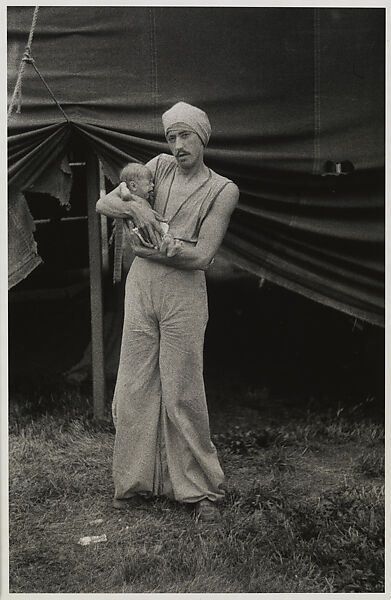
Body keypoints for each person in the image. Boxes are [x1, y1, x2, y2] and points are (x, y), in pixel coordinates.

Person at [96, 101, 239, 523]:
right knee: (133, 385)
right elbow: (106, 204)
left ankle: (201, 490)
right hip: (142, 289)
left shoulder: (222, 189)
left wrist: (151, 248)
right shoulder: (155, 169)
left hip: (183, 294)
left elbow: (203, 257)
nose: (177, 145)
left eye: (185, 136)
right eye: (171, 137)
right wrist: (137, 207)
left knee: (182, 389)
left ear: (202, 138)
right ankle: (134, 482)